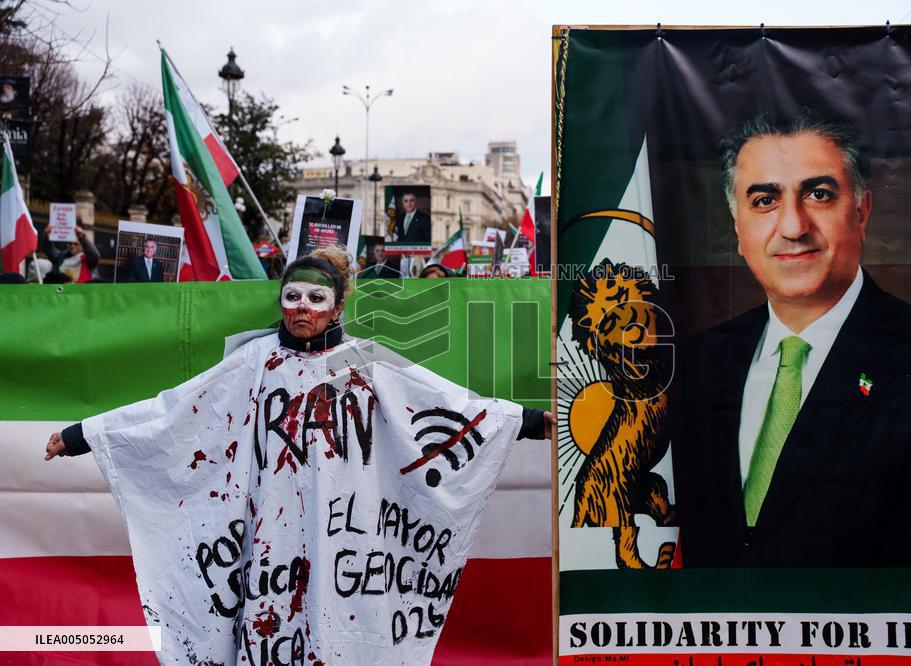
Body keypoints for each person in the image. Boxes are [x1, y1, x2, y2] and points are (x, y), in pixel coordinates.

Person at [44, 245, 553, 665]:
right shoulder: (255, 362)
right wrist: (82, 435)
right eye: (292, 296)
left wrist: (528, 422)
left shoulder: (363, 361)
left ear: (336, 306)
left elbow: (442, 400)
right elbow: (174, 411)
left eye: (315, 297)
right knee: (273, 625)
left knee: (339, 626)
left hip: (346, 534)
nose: (302, 308)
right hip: (272, 532)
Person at [671, 109, 911, 568]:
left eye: (819, 194)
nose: (793, 226)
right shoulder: (693, 365)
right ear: (737, 225)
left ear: (862, 212)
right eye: (765, 201)